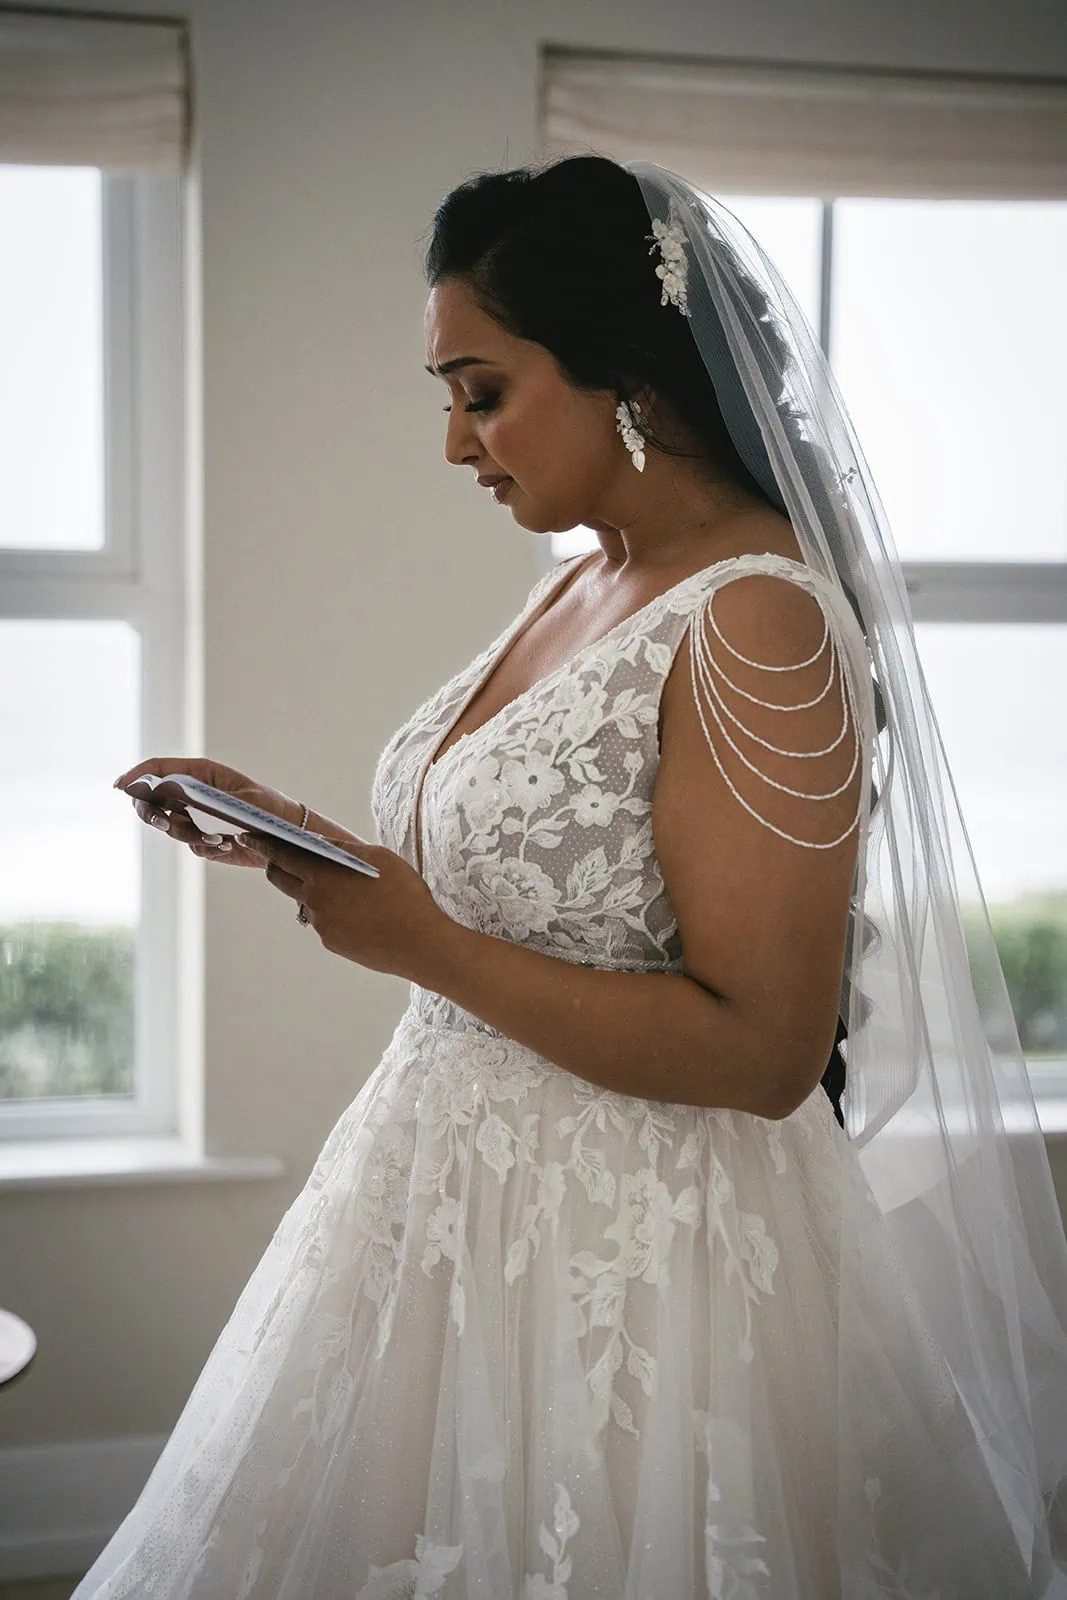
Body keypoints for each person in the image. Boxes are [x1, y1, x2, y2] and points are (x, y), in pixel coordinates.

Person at [75, 155, 1067, 1598]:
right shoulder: (589, 571)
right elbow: (535, 881)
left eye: (482, 393)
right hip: (440, 1210)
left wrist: (415, 942)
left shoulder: (758, 623)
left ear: (631, 379)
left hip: (644, 1265)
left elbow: (767, 1047)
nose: (457, 445)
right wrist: (307, 840)